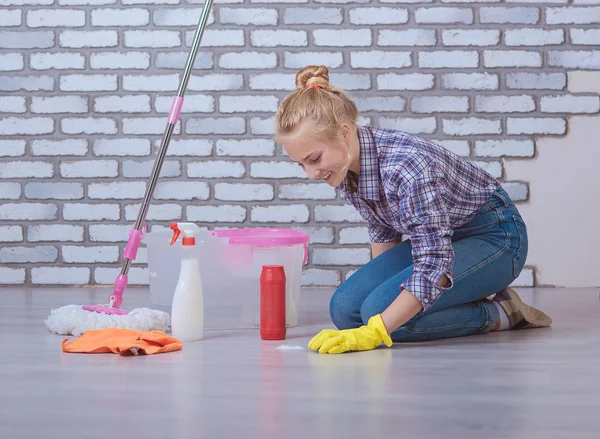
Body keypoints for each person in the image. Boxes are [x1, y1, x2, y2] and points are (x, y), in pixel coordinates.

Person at [274, 65, 552, 355]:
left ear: (344, 132)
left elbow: (434, 262)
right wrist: (381, 292)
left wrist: (378, 327)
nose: (310, 173)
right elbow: (383, 227)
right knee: (346, 310)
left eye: (314, 158)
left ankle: (499, 314)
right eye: (301, 164)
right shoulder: (346, 165)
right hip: (443, 239)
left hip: (495, 238)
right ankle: (424, 304)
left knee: (382, 314)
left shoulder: (406, 167)